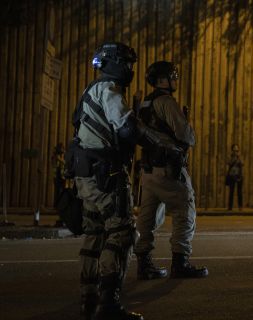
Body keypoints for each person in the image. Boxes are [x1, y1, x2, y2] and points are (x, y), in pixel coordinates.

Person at [71, 42, 178, 320]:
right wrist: (160, 146)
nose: (130, 70)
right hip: (107, 175)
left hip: (86, 175)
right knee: (122, 234)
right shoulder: (109, 91)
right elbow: (128, 127)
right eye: (127, 64)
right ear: (114, 64)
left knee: (94, 235)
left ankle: (88, 300)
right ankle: (109, 305)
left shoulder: (89, 91)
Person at [134, 61, 208, 280]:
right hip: (168, 168)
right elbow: (186, 135)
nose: (175, 78)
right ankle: (180, 262)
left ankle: (143, 264)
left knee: (147, 217)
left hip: (148, 171)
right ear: (160, 80)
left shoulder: (146, 103)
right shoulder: (166, 101)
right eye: (172, 75)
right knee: (185, 209)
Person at [226, 144, 243, 211]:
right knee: (231, 192)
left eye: (237, 150)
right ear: (232, 150)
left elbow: (242, 163)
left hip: (239, 175)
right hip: (232, 175)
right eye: (234, 150)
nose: (236, 152)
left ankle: (240, 206)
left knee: (239, 192)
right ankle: (230, 207)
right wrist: (234, 158)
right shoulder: (230, 157)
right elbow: (229, 163)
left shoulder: (240, 156)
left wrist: (238, 158)